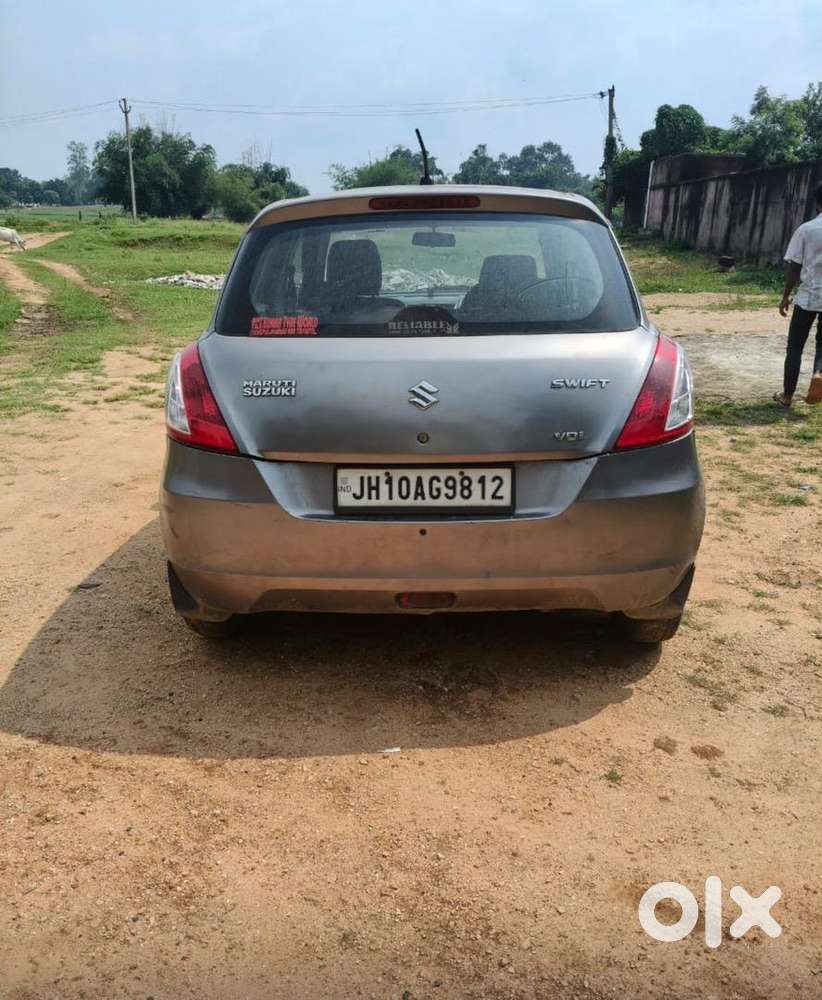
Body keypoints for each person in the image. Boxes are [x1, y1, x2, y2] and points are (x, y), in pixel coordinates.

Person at [774, 182, 822, 407]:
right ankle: (819, 374)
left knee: (795, 346)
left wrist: (786, 295)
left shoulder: (807, 229)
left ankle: (787, 396)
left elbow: (794, 266)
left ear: (817, 203)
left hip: (809, 296)